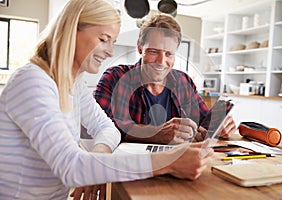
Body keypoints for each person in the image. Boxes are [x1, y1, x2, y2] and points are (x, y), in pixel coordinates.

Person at [0, 0, 214, 199]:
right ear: (71, 32)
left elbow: (108, 128)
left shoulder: (75, 85)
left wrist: (97, 158)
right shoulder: (33, 81)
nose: (110, 51)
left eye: (113, 42)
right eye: (103, 40)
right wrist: (169, 161)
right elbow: (72, 167)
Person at [94, 13, 236, 145]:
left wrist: (220, 125)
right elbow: (98, 125)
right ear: (139, 48)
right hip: (130, 163)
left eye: (169, 54)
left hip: (178, 162)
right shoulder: (115, 77)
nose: (161, 62)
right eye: (154, 51)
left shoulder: (183, 81)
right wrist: (156, 133)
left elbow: (204, 121)